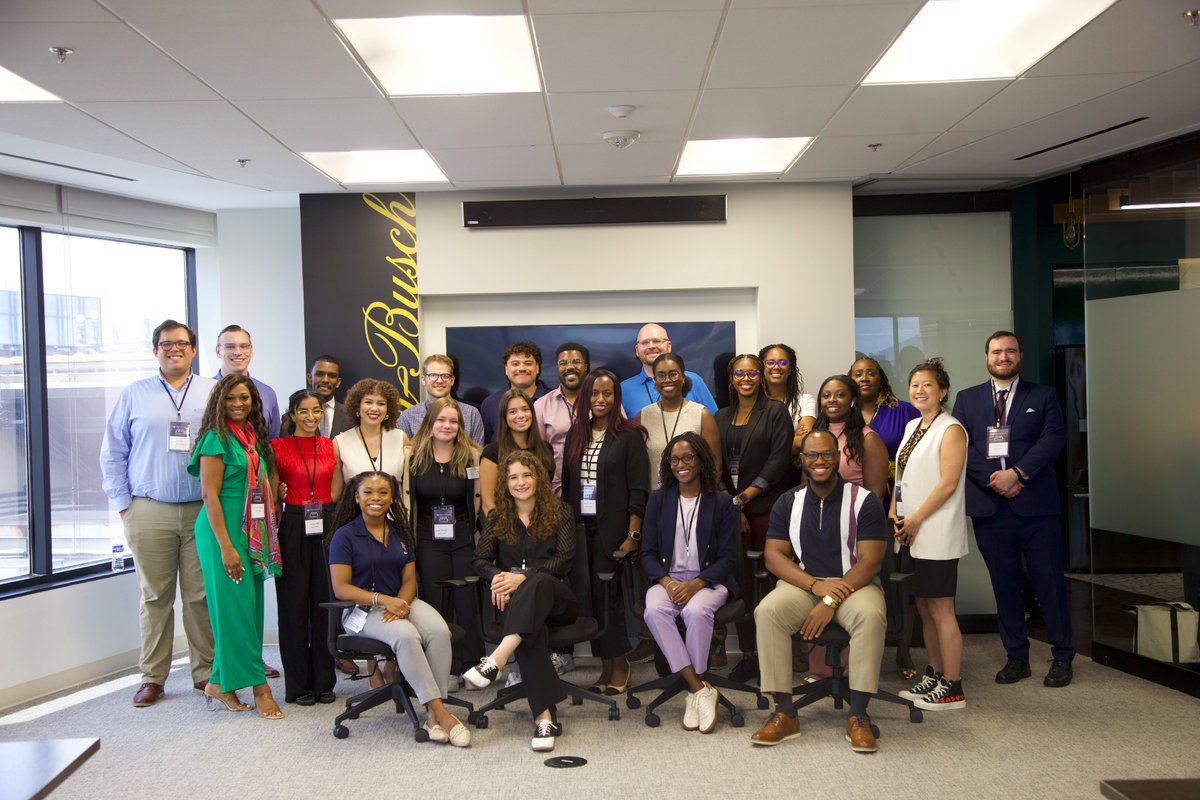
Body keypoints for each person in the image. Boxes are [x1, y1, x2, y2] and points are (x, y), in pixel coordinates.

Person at [100, 319, 216, 707]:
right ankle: (153, 677)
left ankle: (205, 672)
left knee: (200, 596)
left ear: (194, 349)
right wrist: (124, 506)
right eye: (166, 344)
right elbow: (112, 453)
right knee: (155, 597)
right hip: (149, 509)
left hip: (203, 510)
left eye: (182, 343)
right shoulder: (134, 394)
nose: (174, 349)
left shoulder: (212, 391)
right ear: (156, 351)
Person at [750, 430, 888, 752]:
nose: (820, 461)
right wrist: (814, 586)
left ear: (838, 457)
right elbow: (773, 555)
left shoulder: (864, 500)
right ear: (802, 460)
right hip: (805, 583)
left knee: (871, 614)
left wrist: (830, 598)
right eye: (812, 455)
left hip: (855, 585)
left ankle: (858, 715)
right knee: (767, 611)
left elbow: (870, 563)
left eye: (827, 454)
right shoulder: (789, 501)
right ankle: (784, 713)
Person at [951, 330, 1073, 687]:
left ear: (1020, 355)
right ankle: (1017, 656)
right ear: (986, 357)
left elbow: (1054, 438)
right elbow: (963, 445)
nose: (1003, 357)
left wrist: (1017, 473)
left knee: (1048, 581)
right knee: (1004, 585)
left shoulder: (1043, 395)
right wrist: (995, 478)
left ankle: (1063, 655)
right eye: (996, 352)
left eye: (1009, 351)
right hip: (992, 508)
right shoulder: (968, 399)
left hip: (1036, 506)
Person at [328, 471, 470, 747]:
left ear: (393, 497)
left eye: (383, 492)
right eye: (368, 491)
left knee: (440, 630)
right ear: (356, 497)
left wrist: (402, 603)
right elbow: (341, 588)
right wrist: (383, 600)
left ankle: (430, 715)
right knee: (406, 635)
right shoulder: (344, 536)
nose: (376, 498)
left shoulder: (399, 532)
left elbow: (408, 580)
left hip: (401, 602)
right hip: (361, 610)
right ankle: (442, 713)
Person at [464, 451, 578, 752]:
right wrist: (499, 577)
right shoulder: (498, 517)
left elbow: (564, 560)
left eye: (527, 475)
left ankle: (497, 659)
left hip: (558, 601)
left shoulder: (560, 511)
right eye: (513, 477)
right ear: (505, 482)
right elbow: (479, 561)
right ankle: (544, 718)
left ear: (538, 477)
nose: (521, 482)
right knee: (530, 631)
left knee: (537, 582)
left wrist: (522, 578)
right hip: (518, 610)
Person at [188, 373, 283, 718]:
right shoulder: (215, 439)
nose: (238, 404)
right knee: (234, 613)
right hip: (221, 533)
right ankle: (260, 688)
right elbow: (209, 496)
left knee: (250, 610)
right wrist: (227, 548)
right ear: (219, 402)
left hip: (249, 532)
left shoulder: (250, 438)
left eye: (244, 398)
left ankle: (219, 682)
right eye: (231, 399)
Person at [641, 433, 738, 733]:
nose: (681, 464)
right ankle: (699, 689)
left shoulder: (721, 502)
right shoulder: (659, 500)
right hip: (668, 580)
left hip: (708, 582)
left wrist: (696, 584)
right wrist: (668, 583)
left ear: (701, 460)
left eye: (687, 458)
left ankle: (694, 691)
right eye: (674, 459)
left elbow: (728, 557)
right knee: (653, 610)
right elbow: (646, 553)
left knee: (696, 612)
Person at [562, 369, 649, 694]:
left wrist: (633, 535)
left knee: (611, 600)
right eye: (595, 394)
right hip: (581, 532)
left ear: (616, 398)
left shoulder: (629, 436)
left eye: (607, 394)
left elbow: (638, 491)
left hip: (613, 532)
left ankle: (620, 663)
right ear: (586, 397)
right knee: (590, 599)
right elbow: (568, 486)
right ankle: (605, 665)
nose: (600, 400)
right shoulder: (575, 435)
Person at [891, 359, 969, 711]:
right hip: (911, 531)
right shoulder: (912, 426)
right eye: (915, 385)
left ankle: (953, 686)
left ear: (943, 391)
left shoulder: (951, 429)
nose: (920, 391)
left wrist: (917, 518)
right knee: (923, 606)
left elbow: (948, 483)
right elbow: (902, 476)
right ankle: (935, 674)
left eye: (927, 385)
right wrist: (897, 512)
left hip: (935, 531)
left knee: (941, 609)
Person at [713, 353, 794, 682]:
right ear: (732, 379)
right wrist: (732, 504)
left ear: (761, 377)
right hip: (733, 513)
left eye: (752, 373)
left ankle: (777, 653)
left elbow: (778, 462)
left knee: (774, 581)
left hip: (768, 509)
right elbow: (714, 464)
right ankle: (748, 654)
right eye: (739, 374)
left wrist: (745, 497)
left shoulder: (775, 412)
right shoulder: (721, 416)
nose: (745, 378)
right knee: (740, 583)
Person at [402, 397, 484, 678]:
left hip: (463, 534)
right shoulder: (411, 456)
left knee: (466, 598)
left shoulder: (472, 455)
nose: (447, 426)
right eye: (441, 420)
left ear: (460, 425)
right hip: (426, 535)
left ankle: (472, 665)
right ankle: (443, 667)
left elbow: (480, 499)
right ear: (430, 423)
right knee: (436, 600)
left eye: (453, 421)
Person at [849, 356, 921, 676]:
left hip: (898, 504)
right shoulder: (843, 412)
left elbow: (922, 455)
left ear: (881, 378)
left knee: (899, 580)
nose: (865, 378)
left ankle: (904, 652)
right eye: (858, 374)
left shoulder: (903, 411)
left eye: (871, 373)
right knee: (863, 582)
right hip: (854, 508)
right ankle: (864, 654)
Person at [270, 389, 342, 706]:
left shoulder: (330, 446)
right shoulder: (277, 446)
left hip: (325, 522)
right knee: (293, 608)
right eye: (304, 411)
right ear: (293, 413)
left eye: (316, 411)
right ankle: (298, 685)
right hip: (294, 523)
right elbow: (272, 491)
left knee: (324, 605)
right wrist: (281, 491)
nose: (311, 417)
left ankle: (324, 682)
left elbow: (337, 488)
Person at [636, 353, 721, 491]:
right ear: (655, 381)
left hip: (693, 504)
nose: (667, 380)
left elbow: (715, 467)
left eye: (673, 374)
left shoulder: (701, 415)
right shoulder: (643, 416)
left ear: (682, 378)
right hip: (654, 503)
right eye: (661, 375)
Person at [480, 389, 555, 515]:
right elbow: (489, 505)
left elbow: (548, 495)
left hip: (545, 525)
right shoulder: (492, 453)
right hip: (508, 530)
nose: (521, 415)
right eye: (513, 411)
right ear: (504, 417)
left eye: (525, 409)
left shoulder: (546, 449)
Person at [620, 323, 718, 417]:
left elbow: (714, 422)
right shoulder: (623, 389)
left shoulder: (694, 380)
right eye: (645, 342)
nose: (651, 346)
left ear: (669, 346)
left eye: (657, 341)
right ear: (637, 350)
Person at [534, 342, 589, 495]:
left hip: (598, 490)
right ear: (557, 368)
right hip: (555, 493)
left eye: (576, 361)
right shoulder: (542, 406)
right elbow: (538, 454)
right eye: (563, 363)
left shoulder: (602, 401)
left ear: (586, 366)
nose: (570, 367)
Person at [334, 379, 408, 484]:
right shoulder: (340, 442)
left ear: (388, 409)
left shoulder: (401, 438)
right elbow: (337, 491)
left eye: (381, 403)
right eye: (368, 402)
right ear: (357, 407)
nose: (374, 408)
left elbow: (408, 485)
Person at [398, 354, 485, 443]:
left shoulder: (471, 414)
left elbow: (477, 453)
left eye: (445, 376)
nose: (439, 381)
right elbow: (403, 454)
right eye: (433, 375)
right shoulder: (408, 417)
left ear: (452, 380)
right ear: (423, 380)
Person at [213, 324, 280, 439]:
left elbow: (273, 440)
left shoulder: (267, 393)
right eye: (230, 347)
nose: (238, 352)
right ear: (218, 351)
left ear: (251, 350)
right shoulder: (206, 390)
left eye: (244, 346)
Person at [480, 341, 551, 443]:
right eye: (515, 364)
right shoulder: (490, 403)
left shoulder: (553, 400)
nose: (522, 368)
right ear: (506, 369)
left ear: (537, 368)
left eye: (528, 363)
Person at [759, 343, 817, 454]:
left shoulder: (804, 401)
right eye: (770, 362)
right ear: (762, 368)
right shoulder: (753, 402)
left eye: (783, 362)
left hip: (793, 469)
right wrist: (792, 437)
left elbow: (803, 442)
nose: (776, 367)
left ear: (790, 369)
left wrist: (763, 446)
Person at [283, 355, 351, 437]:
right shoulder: (290, 417)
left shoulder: (350, 416)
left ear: (338, 382)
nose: (325, 380)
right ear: (309, 378)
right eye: (319, 374)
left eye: (331, 376)